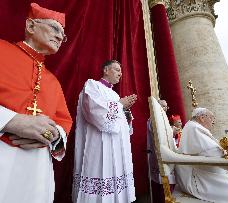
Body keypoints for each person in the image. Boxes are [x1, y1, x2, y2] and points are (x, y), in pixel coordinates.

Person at [0, 3, 72, 203]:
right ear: (31, 26)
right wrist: (10, 121)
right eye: (55, 28)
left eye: (63, 35)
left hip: (38, 170)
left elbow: (64, 122)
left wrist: (53, 134)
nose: (60, 37)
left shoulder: (53, 81)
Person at [72, 60, 137, 203]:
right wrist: (120, 105)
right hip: (98, 144)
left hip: (117, 147)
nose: (120, 74)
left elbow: (120, 123)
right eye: (116, 69)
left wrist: (126, 112)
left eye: (121, 71)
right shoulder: (92, 85)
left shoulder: (114, 94)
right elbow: (94, 111)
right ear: (106, 70)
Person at [175, 107, 228, 203]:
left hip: (206, 173)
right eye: (211, 118)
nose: (213, 121)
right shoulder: (194, 128)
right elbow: (212, 152)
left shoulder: (193, 126)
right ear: (202, 118)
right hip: (200, 180)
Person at [147, 100, 175, 203]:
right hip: (158, 156)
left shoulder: (163, 119)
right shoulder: (154, 119)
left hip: (167, 156)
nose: (165, 108)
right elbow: (159, 136)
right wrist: (172, 131)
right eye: (163, 106)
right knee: (163, 183)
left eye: (166, 106)